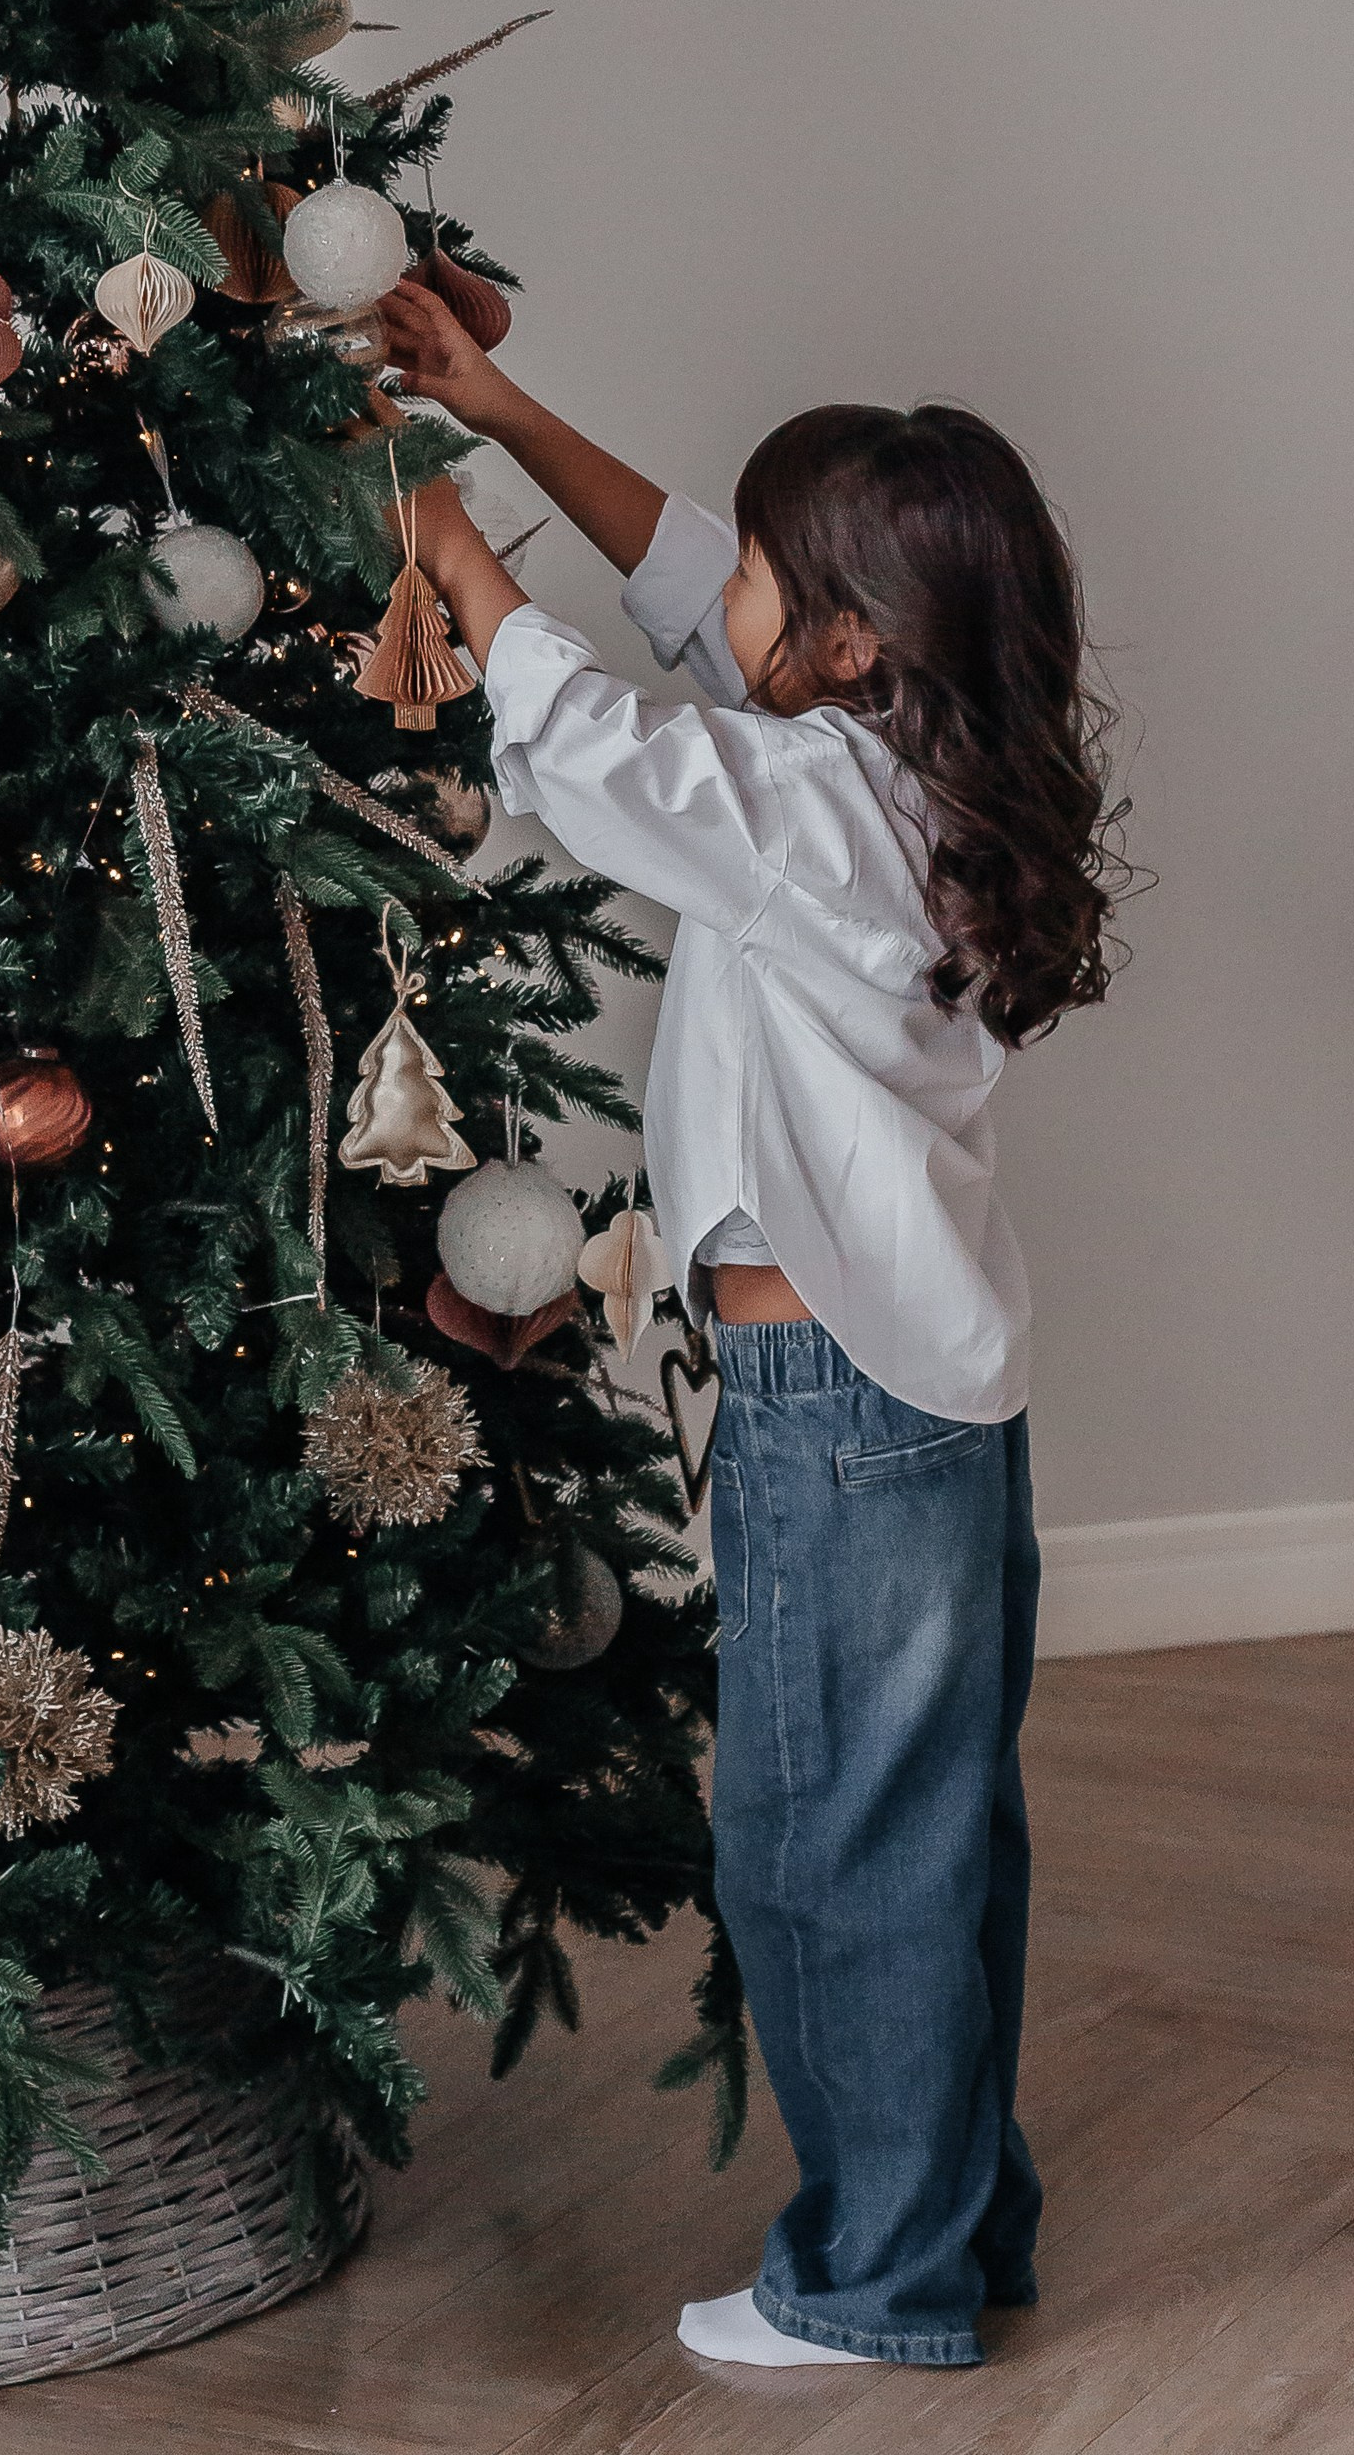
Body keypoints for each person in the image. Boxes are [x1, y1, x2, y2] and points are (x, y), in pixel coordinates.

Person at [378, 280, 1123, 2375]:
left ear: (855, 641)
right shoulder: (905, 765)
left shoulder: (812, 808)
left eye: (775, 581)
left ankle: (872, 2284)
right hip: (930, 1387)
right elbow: (691, 579)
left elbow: (598, 745)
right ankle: (958, 2232)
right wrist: (501, 405)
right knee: (934, 1832)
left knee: (822, 1842)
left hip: (836, 1400)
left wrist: (441, 536)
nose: (729, 596)